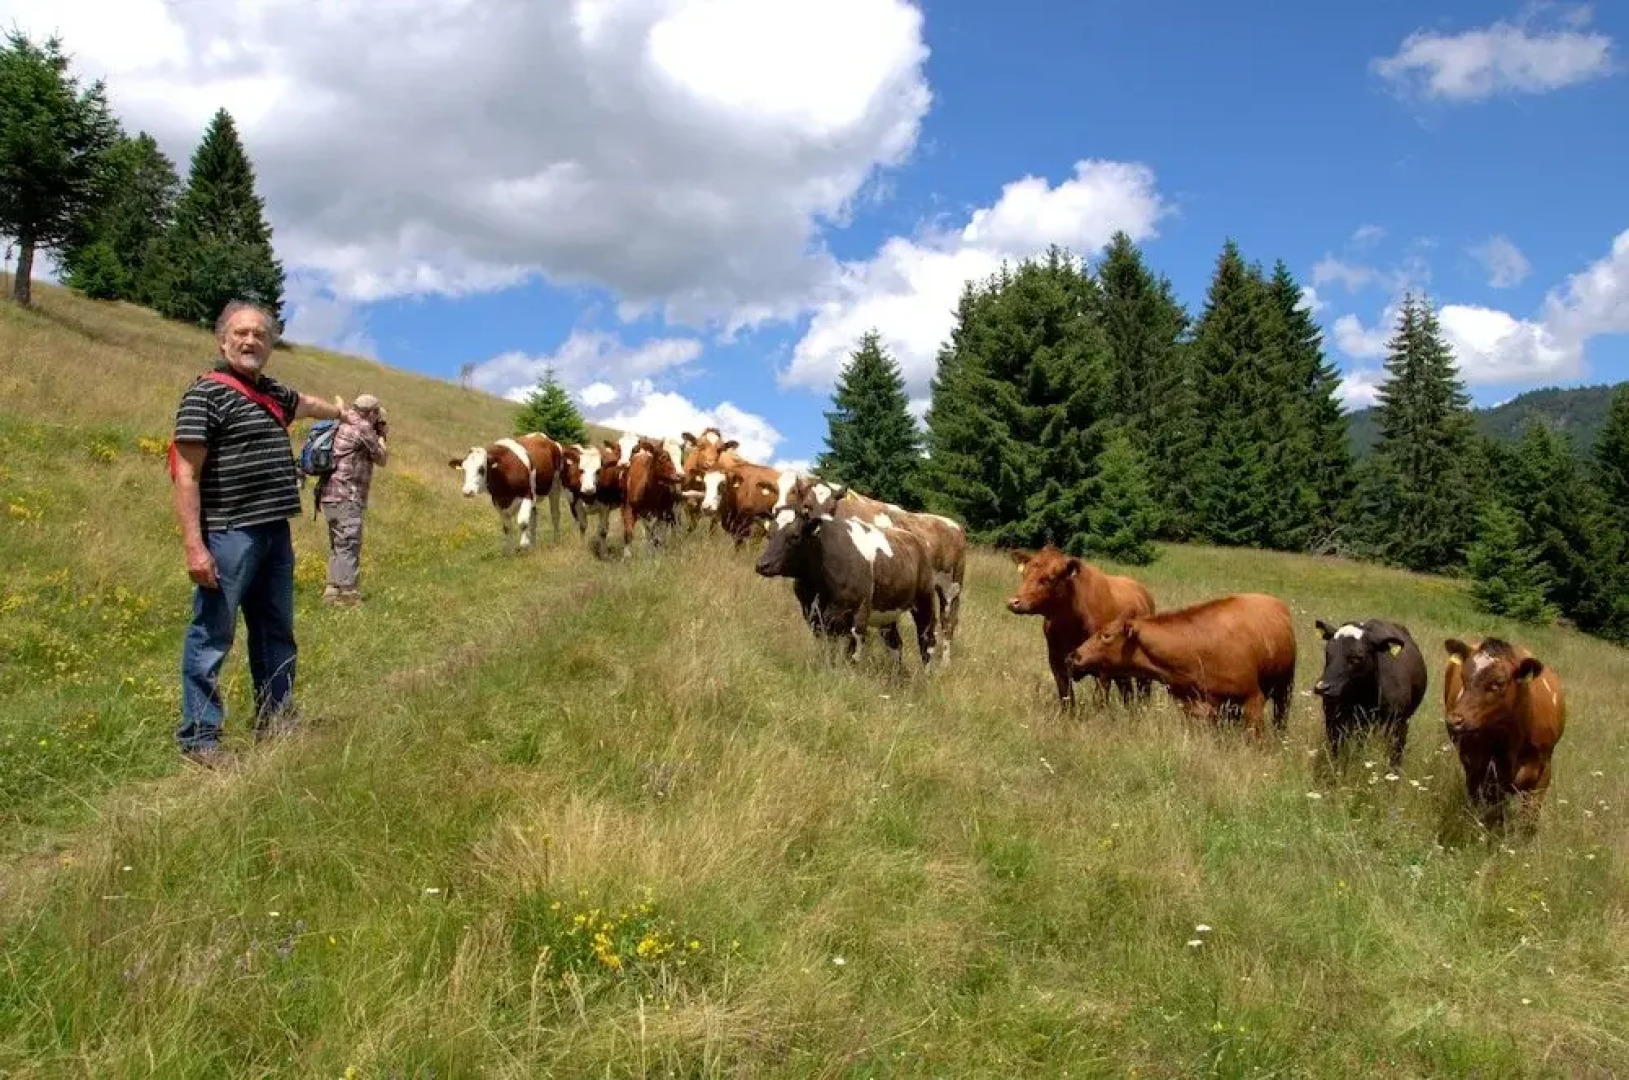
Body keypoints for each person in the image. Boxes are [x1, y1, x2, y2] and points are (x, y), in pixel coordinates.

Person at [169, 299, 346, 768]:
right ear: (222, 339)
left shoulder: (271, 391)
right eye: (241, 333)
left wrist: (340, 413)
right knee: (212, 637)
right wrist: (195, 545)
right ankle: (200, 740)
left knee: (275, 632)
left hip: (273, 533)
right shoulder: (205, 394)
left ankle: (277, 719)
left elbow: (307, 405)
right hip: (229, 534)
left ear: (269, 345)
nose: (251, 341)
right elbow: (185, 473)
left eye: (260, 335)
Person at [318, 392, 389, 605]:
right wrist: (382, 437)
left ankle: (332, 591)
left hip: (329, 495)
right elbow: (382, 459)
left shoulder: (341, 422)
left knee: (338, 544)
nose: (378, 420)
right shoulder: (362, 428)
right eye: (377, 415)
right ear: (372, 413)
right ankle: (349, 594)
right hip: (347, 494)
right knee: (349, 543)